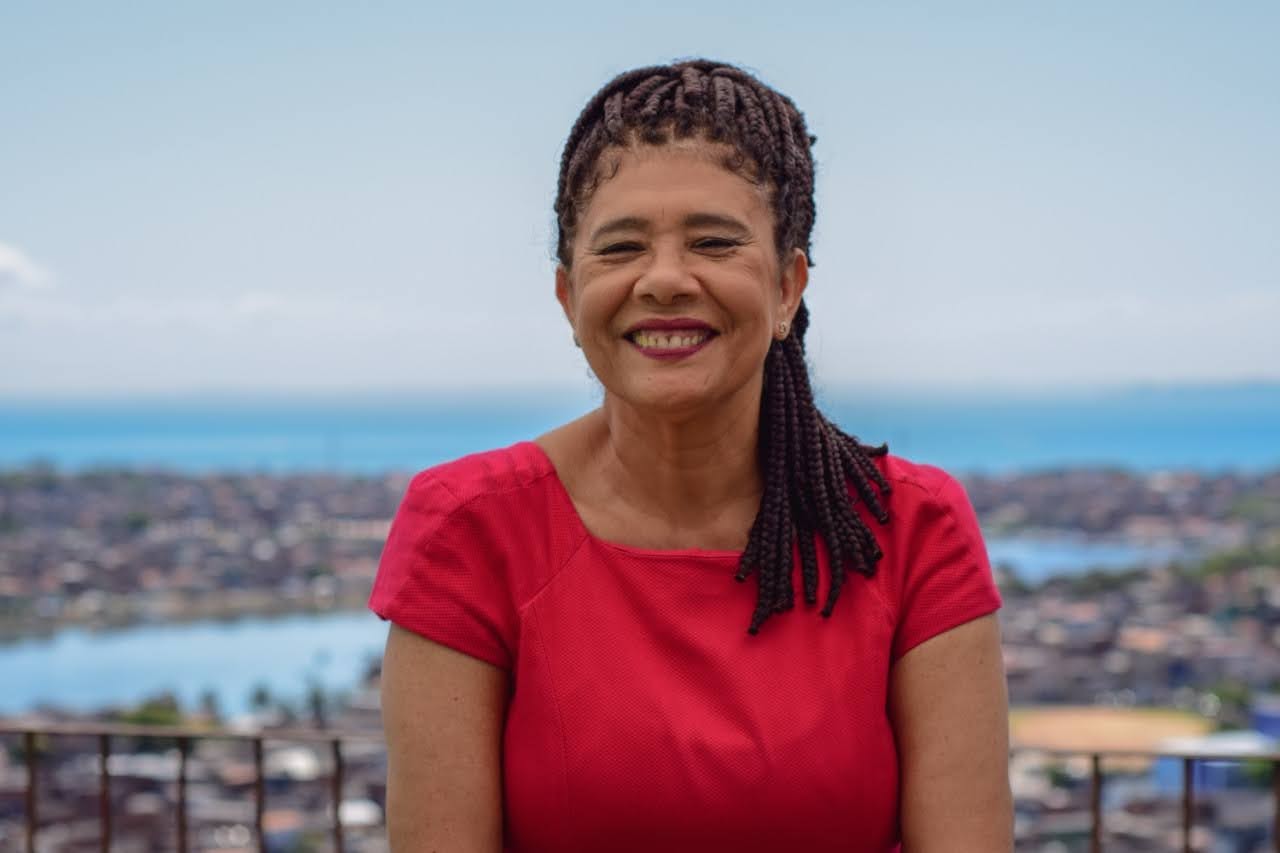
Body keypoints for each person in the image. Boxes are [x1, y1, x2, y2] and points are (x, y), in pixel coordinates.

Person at [369, 59, 1013, 852]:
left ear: (787, 288)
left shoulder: (911, 528)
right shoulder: (469, 528)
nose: (665, 280)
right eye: (621, 248)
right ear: (569, 298)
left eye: (713, 242)